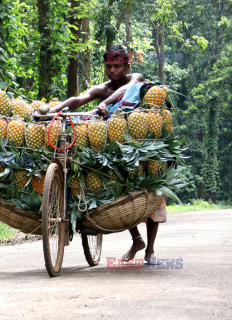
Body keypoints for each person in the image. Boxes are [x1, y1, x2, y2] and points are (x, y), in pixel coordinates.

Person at [49, 44, 163, 264]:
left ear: (126, 66)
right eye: (109, 66)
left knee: (149, 189)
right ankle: (136, 239)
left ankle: (150, 251)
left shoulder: (135, 78)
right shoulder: (101, 88)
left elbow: (126, 90)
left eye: (117, 66)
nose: (113, 71)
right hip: (113, 147)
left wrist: (105, 104)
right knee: (119, 190)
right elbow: (77, 100)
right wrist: (49, 112)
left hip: (137, 144)